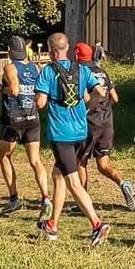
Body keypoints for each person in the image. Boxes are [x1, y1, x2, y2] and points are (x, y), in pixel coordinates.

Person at [33, 32, 111, 245]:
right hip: (81, 132)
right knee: (58, 176)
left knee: (73, 182)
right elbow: (100, 92)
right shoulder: (82, 69)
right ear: (66, 48)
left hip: (61, 135)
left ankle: (97, 224)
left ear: (50, 51)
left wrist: (38, 96)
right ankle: (52, 226)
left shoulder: (48, 72)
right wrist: (84, 101)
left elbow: (40, 103)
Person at [76, 42, 135, 211]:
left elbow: (83, 98)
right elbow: (115, 98)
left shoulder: (83, 74)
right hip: (107, 122)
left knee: (80, 162)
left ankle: (83, 203)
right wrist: (105, 107)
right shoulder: (103, 73)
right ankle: (124, 183)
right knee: (103, 164)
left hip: (90, 123)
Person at [0, 36, 51, 217]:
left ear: (9, 51)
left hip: (14, 119)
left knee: (4, 155)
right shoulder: (35, 67)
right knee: (35, 161)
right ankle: (45, 197)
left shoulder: (9, 67)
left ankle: (14, 198)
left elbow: (14, 90)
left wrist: (0, 89)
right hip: (33, 118)